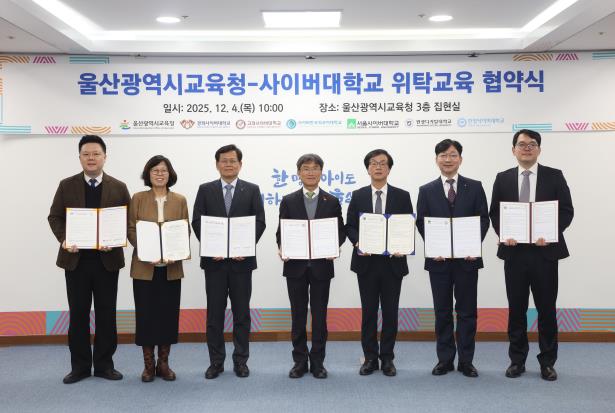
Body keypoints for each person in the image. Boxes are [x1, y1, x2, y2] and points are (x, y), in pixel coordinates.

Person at [489, 129, 574, 381]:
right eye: (522, 144)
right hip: (514, 254)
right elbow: (495, 212)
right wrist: (505, 233)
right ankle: (517, 361)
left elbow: (566, 210)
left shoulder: (554, 175)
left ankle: (547, 362)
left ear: (539, 149)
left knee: (546, 310)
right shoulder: (503, 178)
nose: (527, 148)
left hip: (545, 254)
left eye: (532, 144)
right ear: (513, 149)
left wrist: (550, 233)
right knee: (516, 310)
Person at [48, 135, 130, 384]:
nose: (91, 158)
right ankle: (80, 367)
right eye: (86, 154)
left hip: (107, 261)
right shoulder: (66, 185)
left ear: (105, 157)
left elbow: (127, 221)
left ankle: (105, 365)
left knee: (107, 313)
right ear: (80, 157)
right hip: (76, 261)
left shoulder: (119, 187)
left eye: (96, 154)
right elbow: (54, 217)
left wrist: (115, 239)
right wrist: (64, 239)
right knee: (78, 314)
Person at [416, 139, 489, 378]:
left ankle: (466, 361)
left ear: (460, 159)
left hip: (467, 260)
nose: (448, 160)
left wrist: (473, 245)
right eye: (443, 155)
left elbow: (483, 219)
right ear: (436, 159)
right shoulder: (426, 190)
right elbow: (421, 222)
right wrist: (433, 246)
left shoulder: (475, 187)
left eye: (453, 155)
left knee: (467, 312)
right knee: (442, 312)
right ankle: (445, 360)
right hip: (439, 262)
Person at [192, 144, 266, 379]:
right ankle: (216, 362)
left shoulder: (252, 190)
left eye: (233, 160)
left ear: (240, 164)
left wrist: (244, 247)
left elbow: (260, 222)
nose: (228, 164)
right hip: (214, 263)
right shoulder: (205, 189)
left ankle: (241, 361)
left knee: (242, 314)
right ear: (217, 164)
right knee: (214, 315)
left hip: (241, 263)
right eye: (224, 160)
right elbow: (197, 221)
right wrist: (211, 247)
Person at [276, 154, 346, 379]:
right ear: (298, 173)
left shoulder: (331, 201)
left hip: (321, 267)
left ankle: (317, 362)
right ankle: (299, 361)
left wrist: (334, 246)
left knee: (319, 316)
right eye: (306, 168)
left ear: (321, 172)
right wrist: (282, 247)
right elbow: (281, 231)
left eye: (315, 168)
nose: (310, 172)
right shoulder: (288, 200)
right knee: (297, 316)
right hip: (295, 267)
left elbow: (340, 231)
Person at [345, 149, 413, 377]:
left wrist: (403, 245)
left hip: (393, 263)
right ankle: (370, 358)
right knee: (369, 313)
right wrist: (358, 243)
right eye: (374, 163)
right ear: (368, 168)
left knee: (391, 313)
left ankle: (387, 358)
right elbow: (350, 226)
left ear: (389, 169)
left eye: (383, 163)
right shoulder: (358, 195)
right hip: (366, 263)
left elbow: (407, 226)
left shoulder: (402, 196)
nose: (378, 167)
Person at [127, 155, 189, 382]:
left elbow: (184, 230)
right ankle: (148, 365)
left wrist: (176, 252)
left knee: (168, 316)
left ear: (170, 174)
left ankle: (164, 364)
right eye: (155, 170)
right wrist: (147, 250)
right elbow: (131, 229)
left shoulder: (180, 200)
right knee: (146, 316)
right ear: (148, 174)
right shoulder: (138, 198)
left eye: (163, 170)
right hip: (144, 268)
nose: (160, 174)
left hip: (171, 270)